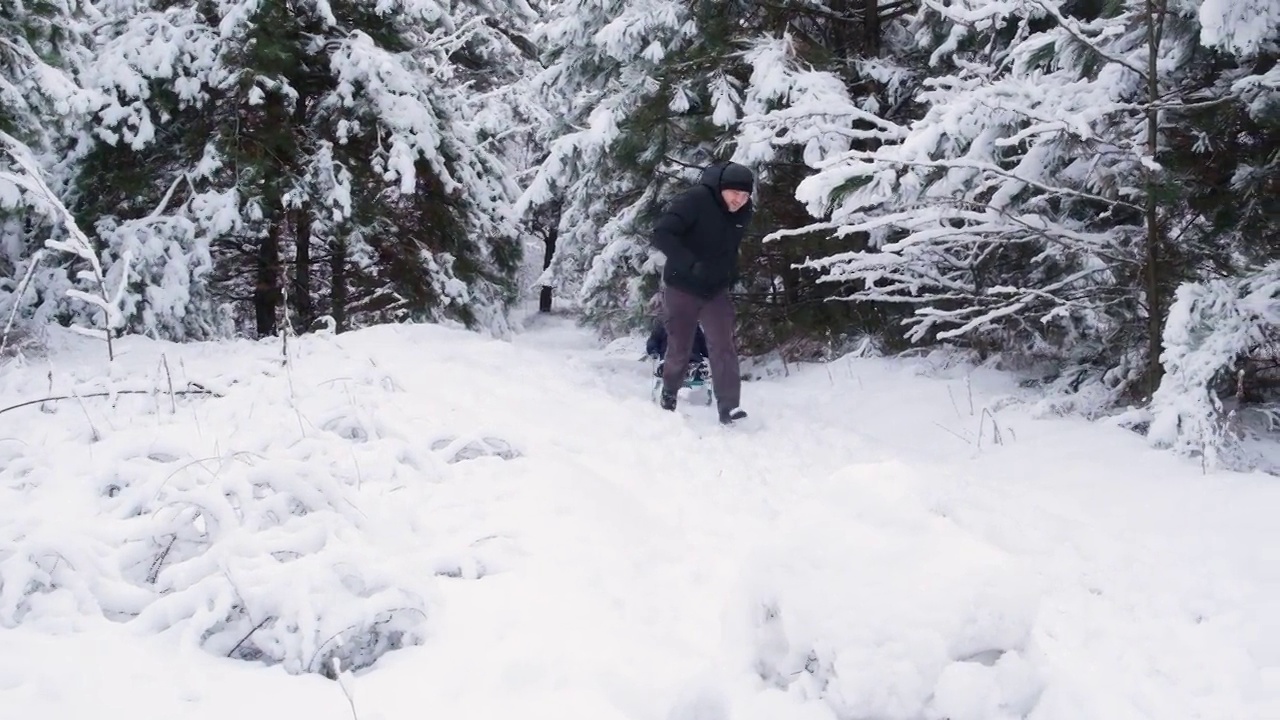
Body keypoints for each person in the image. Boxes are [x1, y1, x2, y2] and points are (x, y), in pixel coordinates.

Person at [649, 160, 754, 423]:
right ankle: (670, 392)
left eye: (745, 195)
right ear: (721, 188)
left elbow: (728, 247)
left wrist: (729, 274)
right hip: (681, 285)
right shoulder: (695, 200)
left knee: (723, 346)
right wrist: (691, 263)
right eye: (735, 193)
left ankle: (728, 407)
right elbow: (661, 233)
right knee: (680, 346)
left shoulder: (743, 211)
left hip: (714, 289)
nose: (739, 200)